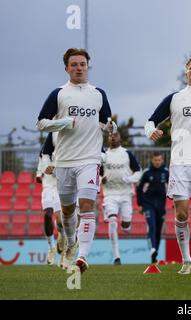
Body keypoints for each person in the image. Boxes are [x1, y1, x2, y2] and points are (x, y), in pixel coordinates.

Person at [36, 48, 116, 273]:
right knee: (68, 212)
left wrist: (111, 127)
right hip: (64, 161)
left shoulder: (99, 93)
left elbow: (106, 122)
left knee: (87, 207)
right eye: (74, 65)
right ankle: (71, 243)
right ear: (66, 68)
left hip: (90, 160)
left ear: (88, 66)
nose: (79, 68)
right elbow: (41, 122)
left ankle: (82, 257)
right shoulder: (58, 93)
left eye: (82, 64)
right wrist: (62, 123)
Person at [144, 57, 191, 274]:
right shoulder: (175, 98)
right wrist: (151, 131)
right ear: (186, 73)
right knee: (182, 214)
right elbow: (150, 121)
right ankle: (186, 260)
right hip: (181, 164)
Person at [101, 132, 142, 265]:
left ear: (120, 138)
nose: (113, 138)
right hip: (110, 194)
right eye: (110, 136)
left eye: (116, 136)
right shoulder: (104, 156)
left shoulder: (127, 154)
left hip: (125, 194)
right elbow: (97, 173)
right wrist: (102, 178)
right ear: (108, 139)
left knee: (125, 226)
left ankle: (126, 224)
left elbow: (138, 172)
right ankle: (116, 257)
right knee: (113, 221)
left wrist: (129, 179)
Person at [36, 132, 65, 267]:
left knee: (60, 221)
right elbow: (41, 167)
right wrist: (39, 174)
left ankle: (62, 238)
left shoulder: (65, 151)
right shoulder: (44, 151)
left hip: (60, 187)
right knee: (47, 215)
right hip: (47, 187)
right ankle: (52, 246)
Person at [136, 153, 169, 265]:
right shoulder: (146, 172)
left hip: (161, 205)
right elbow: (139, 188)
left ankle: (155, 254)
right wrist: (140, 204)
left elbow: (172, 186)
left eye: (159, 160)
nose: (157, 162)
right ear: (152, 160)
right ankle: (153, 249)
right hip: (148, 204)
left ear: (162, 160)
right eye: (155, 160)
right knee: (152, 226)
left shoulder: (166, 172)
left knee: (159, 231)